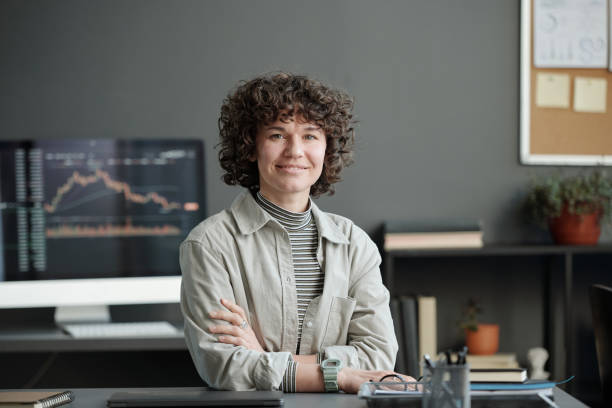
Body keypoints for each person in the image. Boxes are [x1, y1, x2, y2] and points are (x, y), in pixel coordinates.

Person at [180, 72, 413, 393]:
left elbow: (378, 358)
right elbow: (223, 366)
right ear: (250, 146)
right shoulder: (210, 243)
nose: (295, 150)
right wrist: (339, 376)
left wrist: (264, 358)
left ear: (327, 147)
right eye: (277, 135)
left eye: (310, 136)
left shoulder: (354, 245)